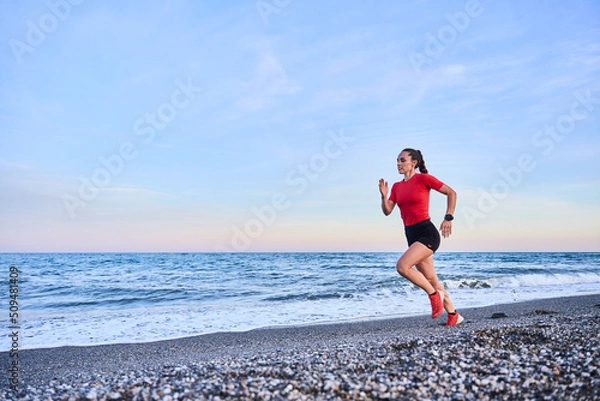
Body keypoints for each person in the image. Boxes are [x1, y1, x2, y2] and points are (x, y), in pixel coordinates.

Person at [378, 148, 463, 326]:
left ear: (413, 163)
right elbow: (387, 211)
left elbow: (451, 193)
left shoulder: (424, 179)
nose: (399, 164)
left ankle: (433, 295)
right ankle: (454, 315)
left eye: (402, 160)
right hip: (411, 234)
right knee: (432, 279)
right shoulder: (396, 186)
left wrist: (448, 217)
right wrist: (384, 196)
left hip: (427, 233)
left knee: (402, 266)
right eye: (397, 161)